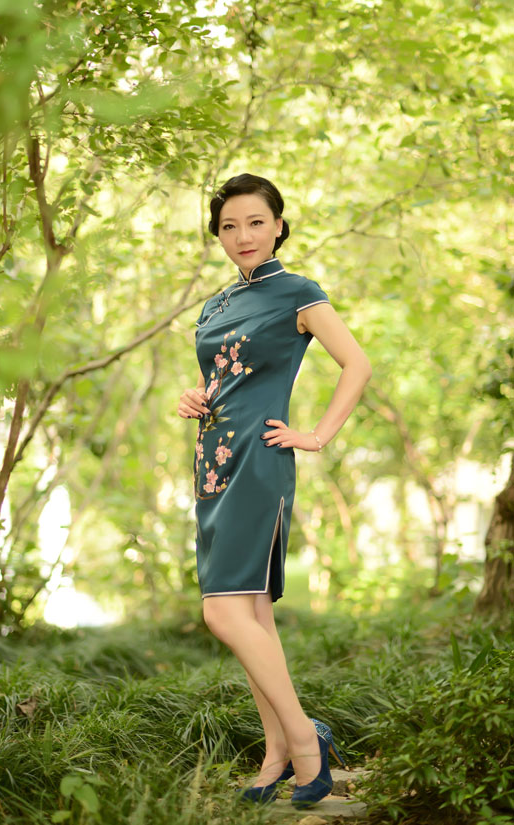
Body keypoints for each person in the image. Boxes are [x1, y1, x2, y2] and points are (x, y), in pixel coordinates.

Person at [177, 173, 372, 808]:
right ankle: (276, 752)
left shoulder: (298, 293)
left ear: (279, 226)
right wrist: (195, 396)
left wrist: (316, 435)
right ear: (218, 235)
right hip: (212, 464)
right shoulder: (214, 306)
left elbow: (357, 364)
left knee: (222, 613)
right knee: (253, 616)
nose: (243, 235)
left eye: (256, 222)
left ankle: (307, 741)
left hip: (260, 463)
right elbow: (223, 378)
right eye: (229, 226)